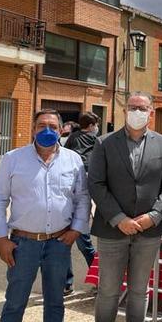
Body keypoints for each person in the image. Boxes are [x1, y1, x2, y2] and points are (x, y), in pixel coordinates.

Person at [0, 109, 91, 322]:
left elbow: (82, 197)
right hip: (22, 244)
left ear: (61, 130)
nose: (47, 130)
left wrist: (76, 230)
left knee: (55, 302)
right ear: (33, 129)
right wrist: (1, 238)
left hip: (59, 243)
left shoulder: (73, 160)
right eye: (41, 126)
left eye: (53, 127)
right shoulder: (12, 159)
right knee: (15, 302)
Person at [88, 91, 162, 322]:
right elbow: (96, 183)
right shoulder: (104, 143)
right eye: (132, 107)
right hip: (112, 229)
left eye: (142, 108)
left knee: (139, 291)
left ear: (151, 112)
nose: (137, 112)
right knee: (108, 292)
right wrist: (119, 218)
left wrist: (155, 215)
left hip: (148, 231)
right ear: (125, 110)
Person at [62, 111, 100, 294]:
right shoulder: (96, 141)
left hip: (71, 196)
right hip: (81, 194)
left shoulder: (73, 138)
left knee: (67, 244)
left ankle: (66, 283)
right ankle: (98, 278)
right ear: (92, 126)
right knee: (83, 243)